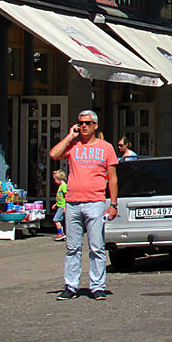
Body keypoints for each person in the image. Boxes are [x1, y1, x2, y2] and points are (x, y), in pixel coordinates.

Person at [49, 110, 118, 301]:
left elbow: (112, 179)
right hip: (72, 203)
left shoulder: (106, 148)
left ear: (96, 125)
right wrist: (70, 135)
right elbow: (54, 154)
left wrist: (113, 204)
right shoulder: (73, 145)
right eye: (81, 123)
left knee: (96, 247)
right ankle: (70, 286)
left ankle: (97, 286)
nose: (84, 126)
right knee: (72, 247)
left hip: (95, 202)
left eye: (88, 123)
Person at [52, 170, 67, 241]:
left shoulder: (64, 186)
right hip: (60, 205)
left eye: (55, 179)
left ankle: (61, 233)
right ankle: (61, 233)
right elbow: (60, 197)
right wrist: (56, 204)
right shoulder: (61, 186)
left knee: (56, 219)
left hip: (62, 206)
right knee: (59, 220)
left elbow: (66, 196)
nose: (54, 181)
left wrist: (65, 206)